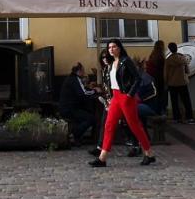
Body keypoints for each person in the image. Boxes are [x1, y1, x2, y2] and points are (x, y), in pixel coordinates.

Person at [90, 39, 155, 167]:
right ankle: (102, 158)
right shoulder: (111, 63)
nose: (111, 49)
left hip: (126, 97)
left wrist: (130, 95)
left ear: (119, 48)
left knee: (134, 126)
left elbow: (137, 78)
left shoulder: (126, 61)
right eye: (109, 47)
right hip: (115, 97)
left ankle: (149, 153)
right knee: (109, 125)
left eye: (114, 47)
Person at [58, 63, 98, 145]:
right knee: (91, 118)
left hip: (67, 107)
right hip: (69, 109)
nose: (84, 73)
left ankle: (77, 137)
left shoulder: (71, 78)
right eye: (83, 71)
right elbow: (83, 94)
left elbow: (81, 91)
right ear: (79, 71)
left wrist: (88, 88)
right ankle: (74, 134)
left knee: (86, 114)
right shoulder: (75, 79)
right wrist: (95, 91)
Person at [164, 42, 195, 123]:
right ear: (176, 48)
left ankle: (176, 118)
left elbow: (166, 73)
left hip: (172, 83)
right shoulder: (183, 58)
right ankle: (189, 117)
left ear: (170, 49)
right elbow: (187, 70)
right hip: (182, 82)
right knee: (186, 100)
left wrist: (166, 82)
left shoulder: (168, 60)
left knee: (174, 102)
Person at [145, 40, 167, 115]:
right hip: (160, 77)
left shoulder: (153, 54)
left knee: (156, 94)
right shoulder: (160, 56)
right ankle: (161, 111)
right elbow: (163, 67)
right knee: (161, 95)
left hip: (153, 77)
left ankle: (156, 111)